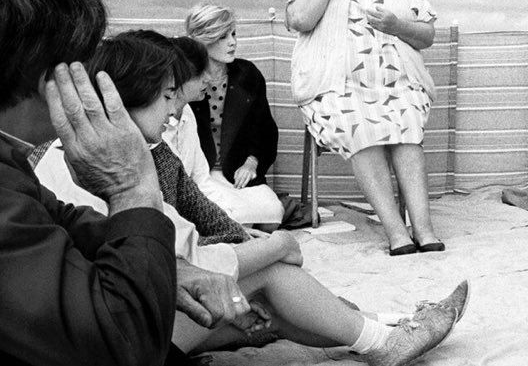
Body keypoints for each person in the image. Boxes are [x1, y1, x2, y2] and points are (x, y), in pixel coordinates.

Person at [35, 32, 467, 364]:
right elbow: (179, 264)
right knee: (274, 276)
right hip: (110, 334)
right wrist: (275, 245)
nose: (175, 111)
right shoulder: (107, 163)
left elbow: (188, 228)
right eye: (168, 97)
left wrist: (245, 241)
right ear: (121, 96)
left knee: (272, 303)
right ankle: (383, 341)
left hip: (108, 318)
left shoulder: (117, 151)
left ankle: (376, 333)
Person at [0, 0, 249, 366]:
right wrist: (132, 188)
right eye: (85, 64)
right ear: (50, 80)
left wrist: (177, 269)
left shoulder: (12, 159)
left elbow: (62, 219)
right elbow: (123, 343)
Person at [286, 0, 443, 256]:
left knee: (407, 131)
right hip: (336, 90)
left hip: (395, 86)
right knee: (363, 129)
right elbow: (301, 20)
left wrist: (397, 25)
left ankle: (424, 230)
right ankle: (396, 234)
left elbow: (427, 36)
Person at [164, 35, 285, 227]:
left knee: (271, 216)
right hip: (173, 208)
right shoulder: (163, 118)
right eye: (199, 73)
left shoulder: (186, 111)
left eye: (234, 34)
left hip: (220, 178)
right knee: (245, 227)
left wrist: (251, 162)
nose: (207, 78)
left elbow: (199, 176)